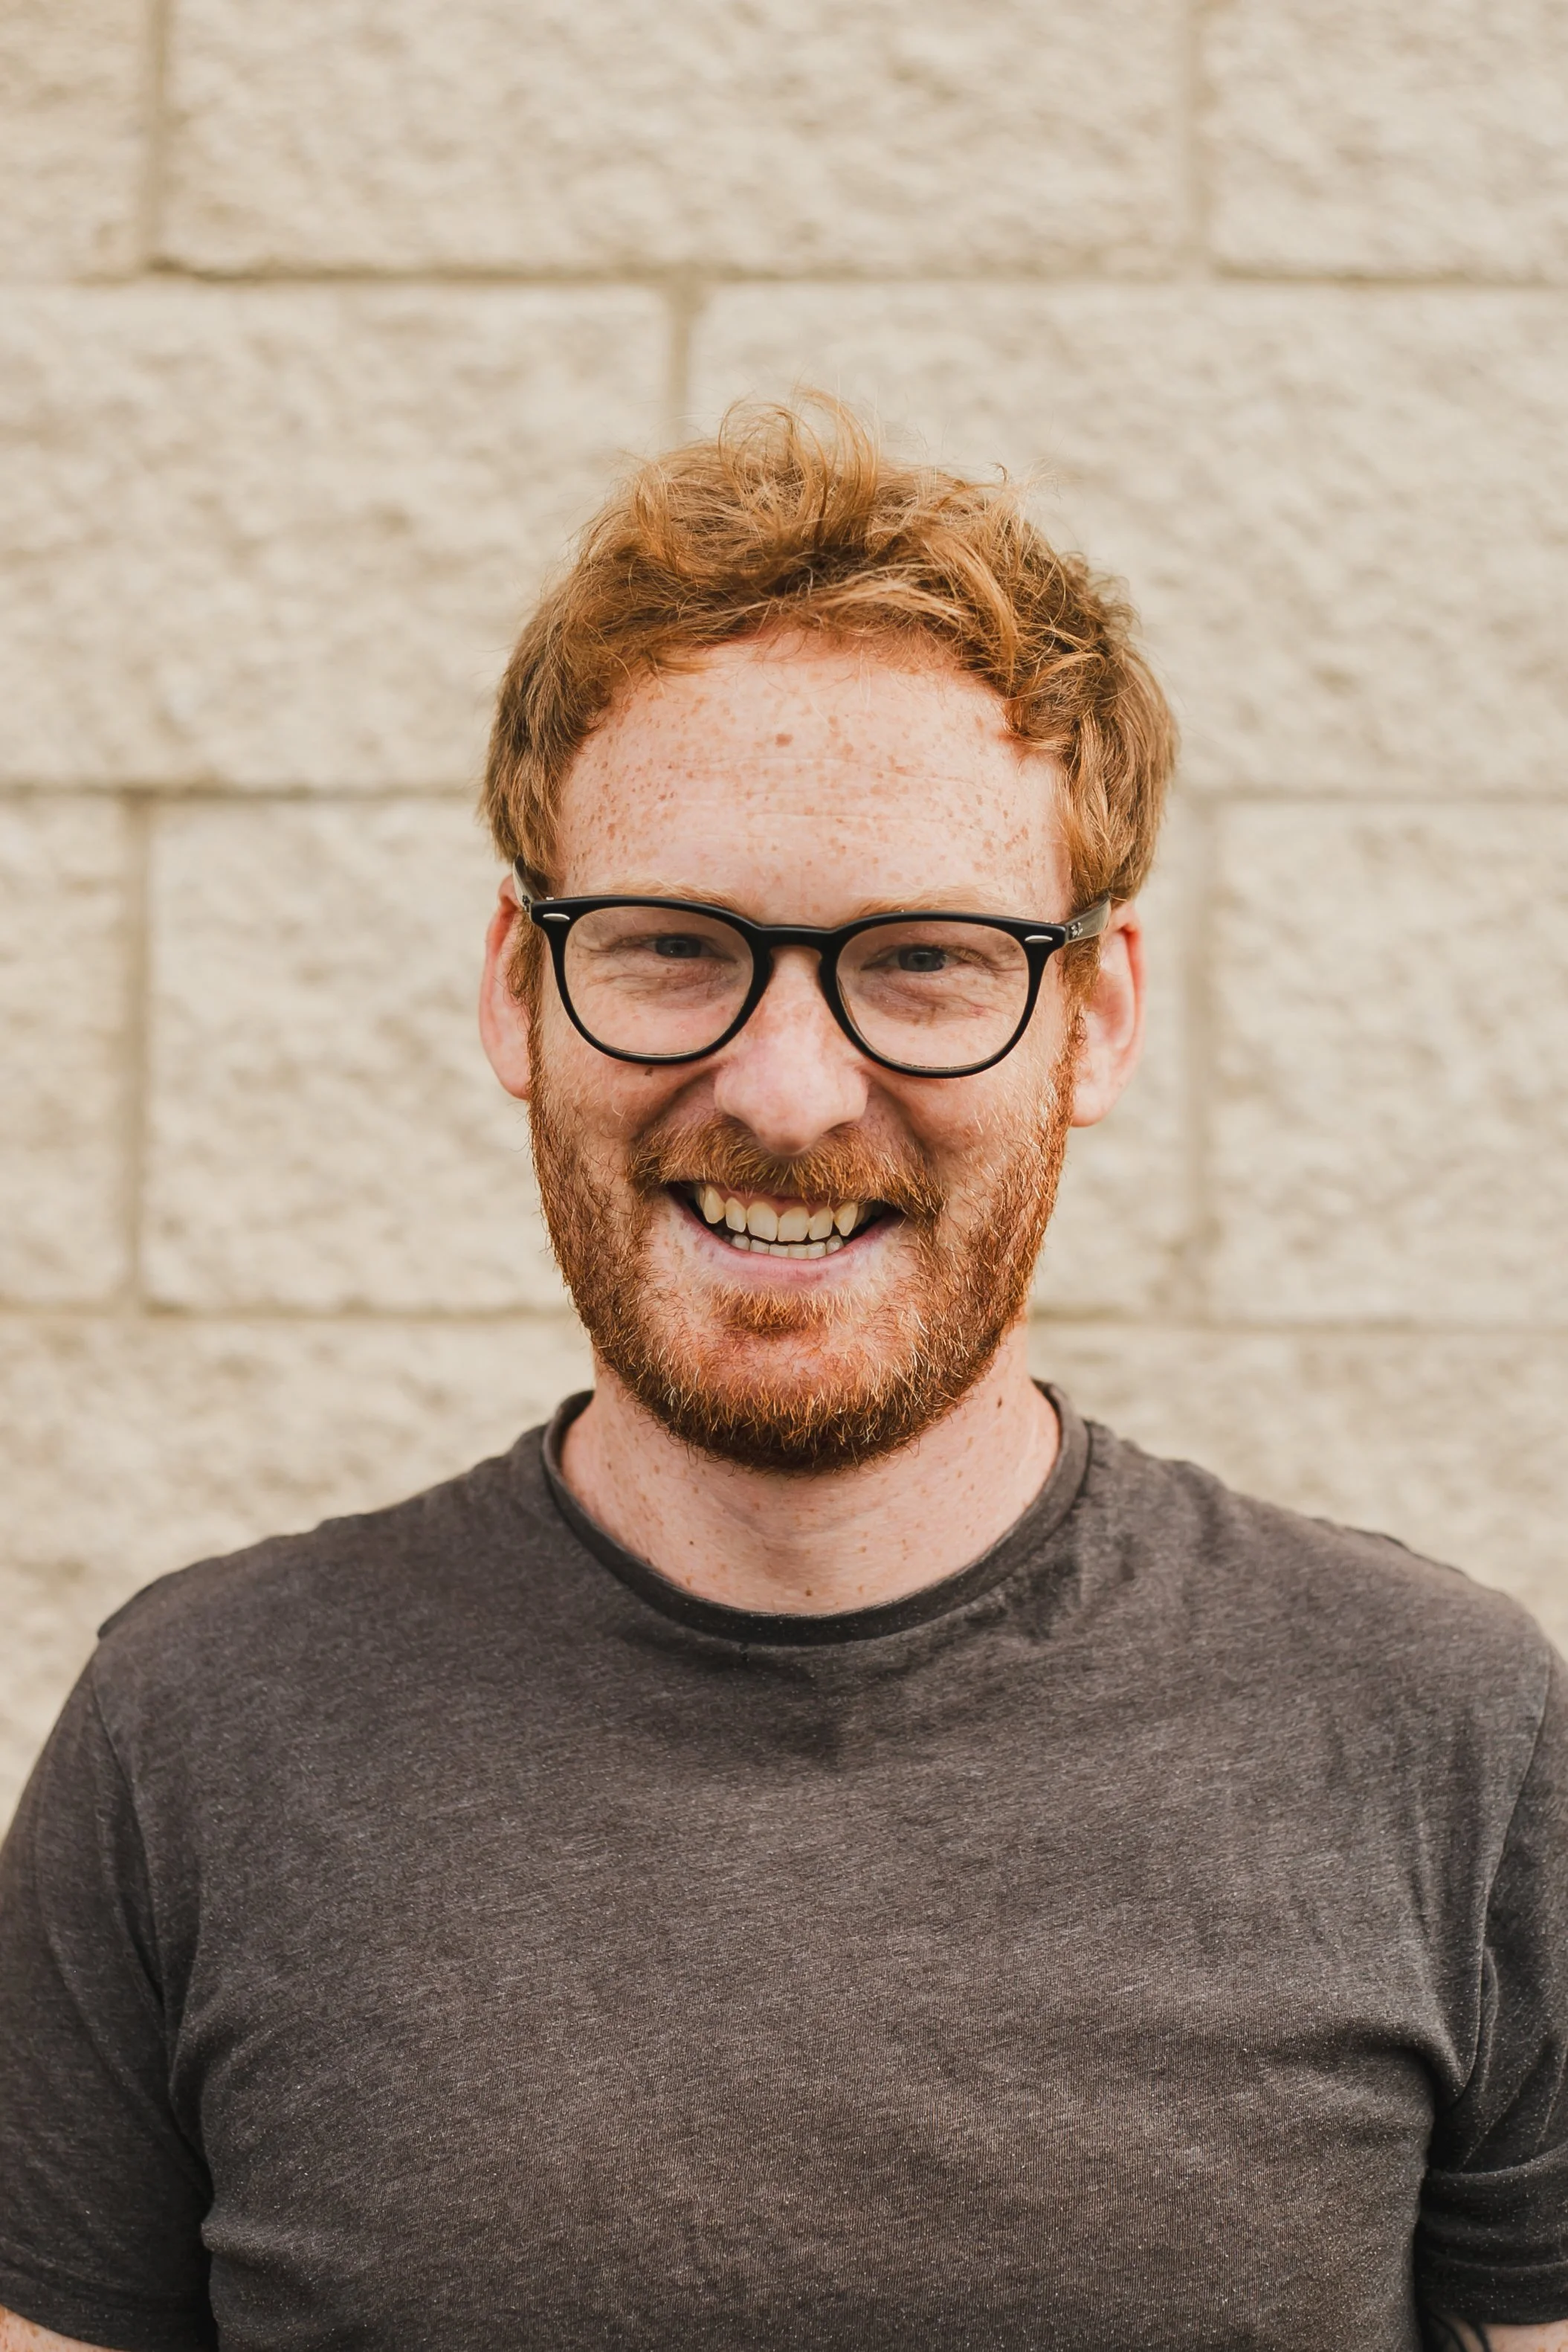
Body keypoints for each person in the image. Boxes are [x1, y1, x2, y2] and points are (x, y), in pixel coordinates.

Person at [0, 405, 1564, 2352]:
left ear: (1093, 1017)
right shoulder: (200, 1737)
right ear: (515, 985)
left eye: (919, 960)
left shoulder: (1443, 1732)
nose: (786, 1087)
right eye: (670, 946)